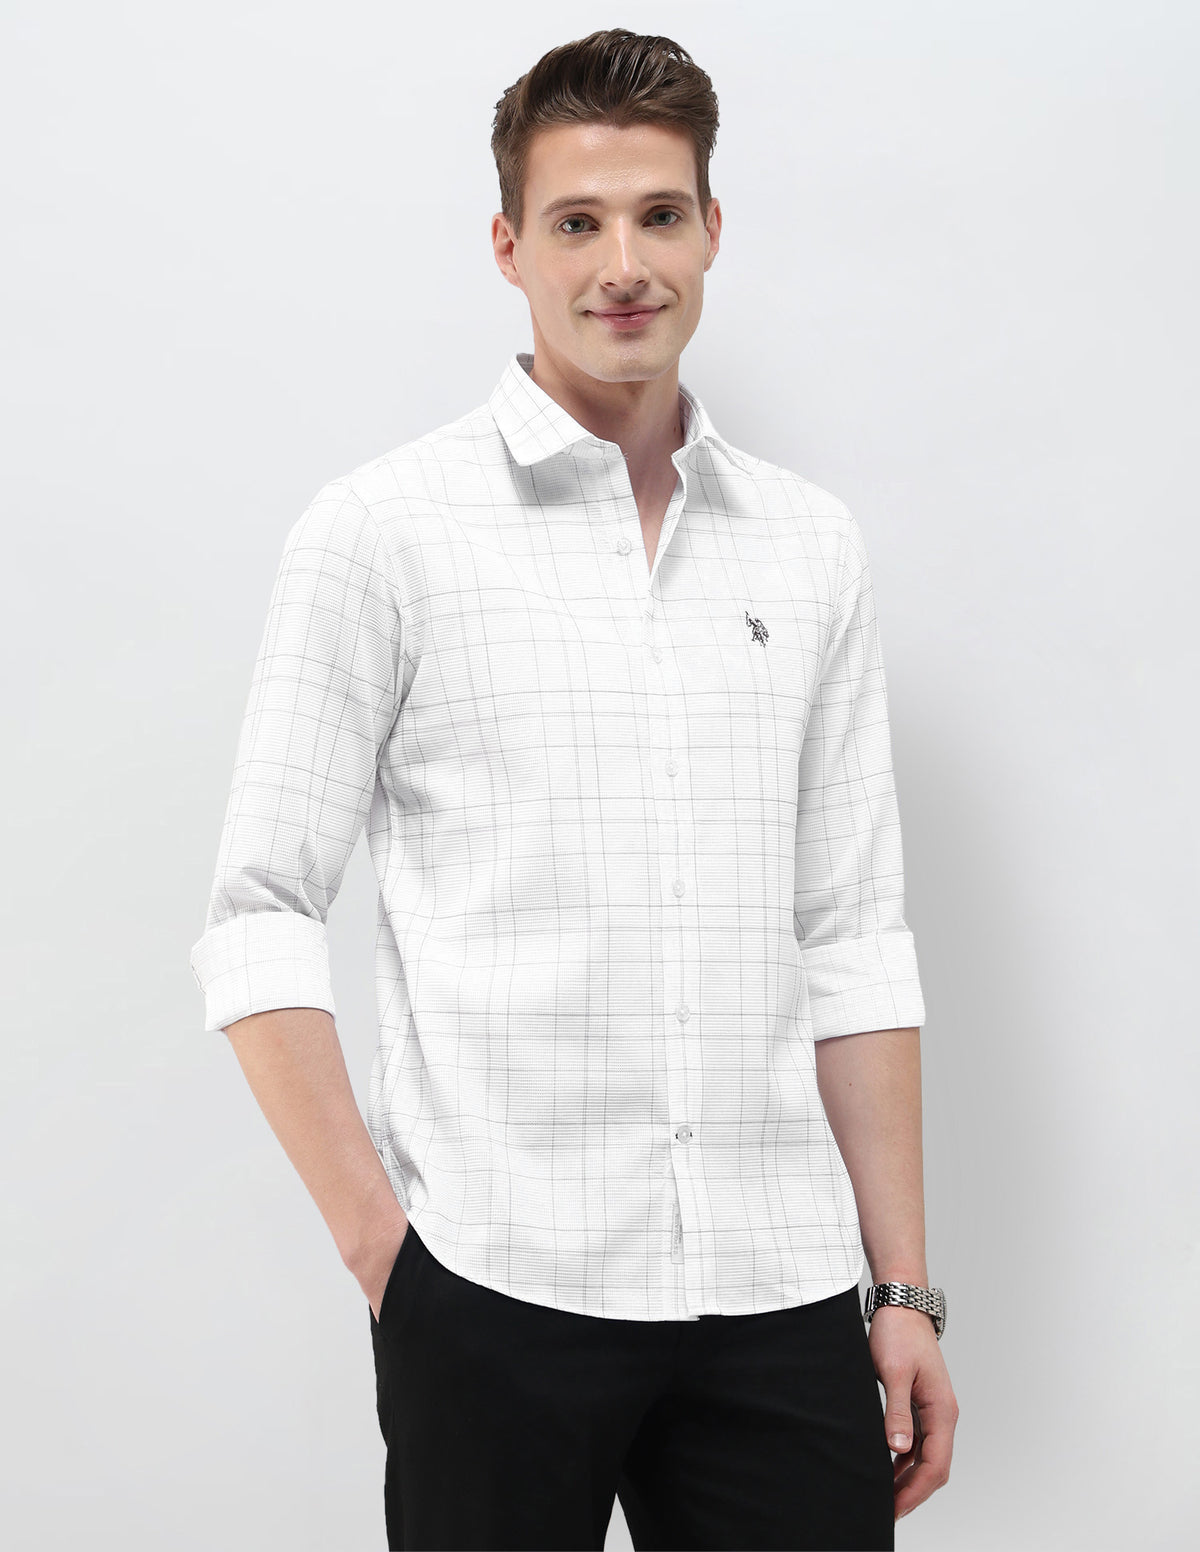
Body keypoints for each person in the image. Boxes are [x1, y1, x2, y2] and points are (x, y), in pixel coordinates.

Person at [188, 25, 958, 1552]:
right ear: (509, 247)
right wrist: (388, 1256)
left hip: (780, 1290)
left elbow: (852, 934)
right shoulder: (385, 533)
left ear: (712, 229)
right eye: (577, 222)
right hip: (497, 1289)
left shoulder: (809, 547)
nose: (624, 265)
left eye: (659, 214)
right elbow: (258, 912)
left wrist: (902, 1288)